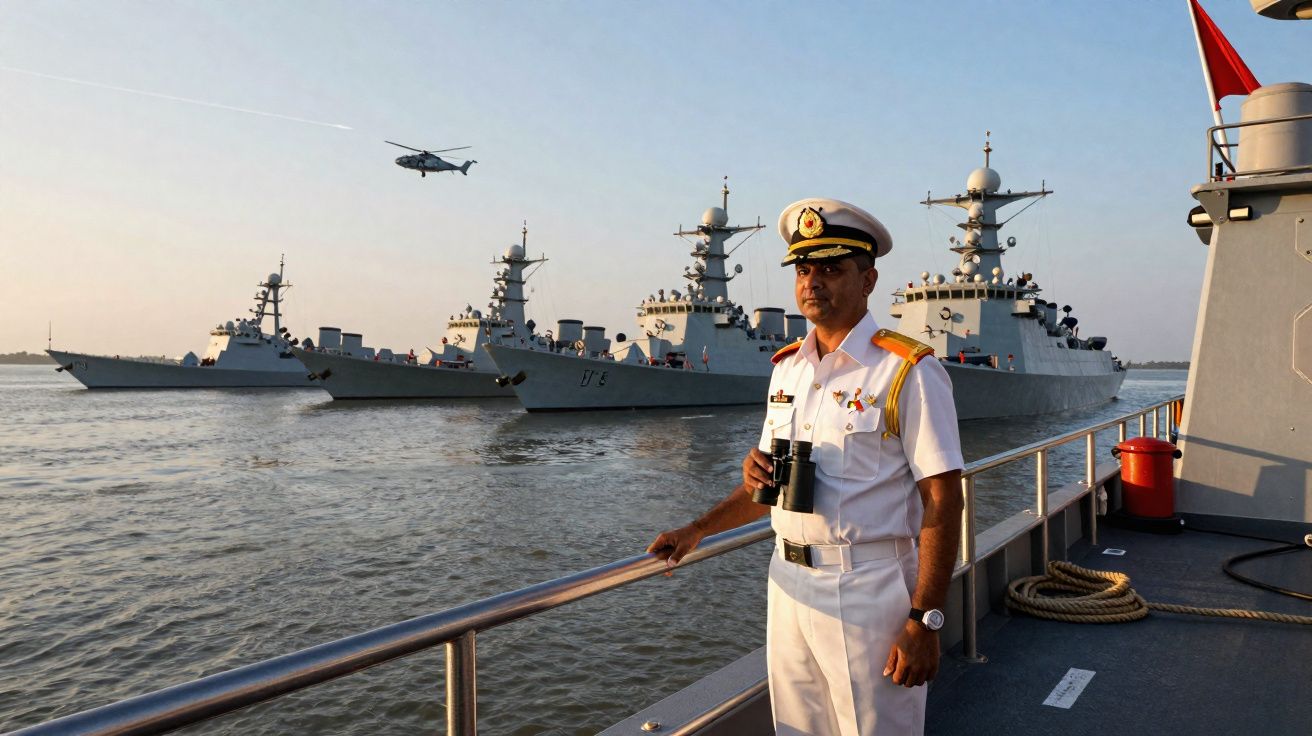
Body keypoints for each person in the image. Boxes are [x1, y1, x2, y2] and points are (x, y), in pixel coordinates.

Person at [648, 198, 964, 735]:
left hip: (868, 585)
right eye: (803, 269)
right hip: (787, 582)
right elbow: (767, 485)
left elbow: (943, 497)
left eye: (831, 269)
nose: (812, 281)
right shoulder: (788, 370)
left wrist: (925, 618)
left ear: (868, 279)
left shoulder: (906, 371)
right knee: (797, 729)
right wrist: (696, 529)